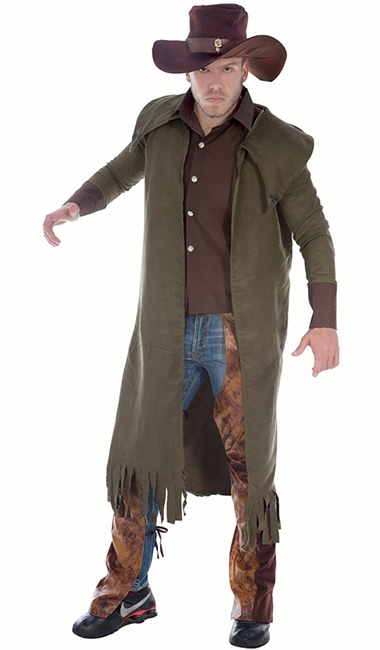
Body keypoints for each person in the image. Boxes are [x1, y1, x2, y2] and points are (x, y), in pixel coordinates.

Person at [43, 4, 339, 648]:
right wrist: (76, 204)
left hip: (241, 336)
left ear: (245, 71)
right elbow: (120, 171)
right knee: (138, 462)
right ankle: (128, 592)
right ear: (188, 71)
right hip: (165, 333)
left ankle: (253, 604)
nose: (215, 82)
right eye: (205, 69)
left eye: (228, 68)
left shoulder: (278, 145)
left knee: (250, 473)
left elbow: (315, 234)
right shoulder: (159, 125)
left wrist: (326, 319)